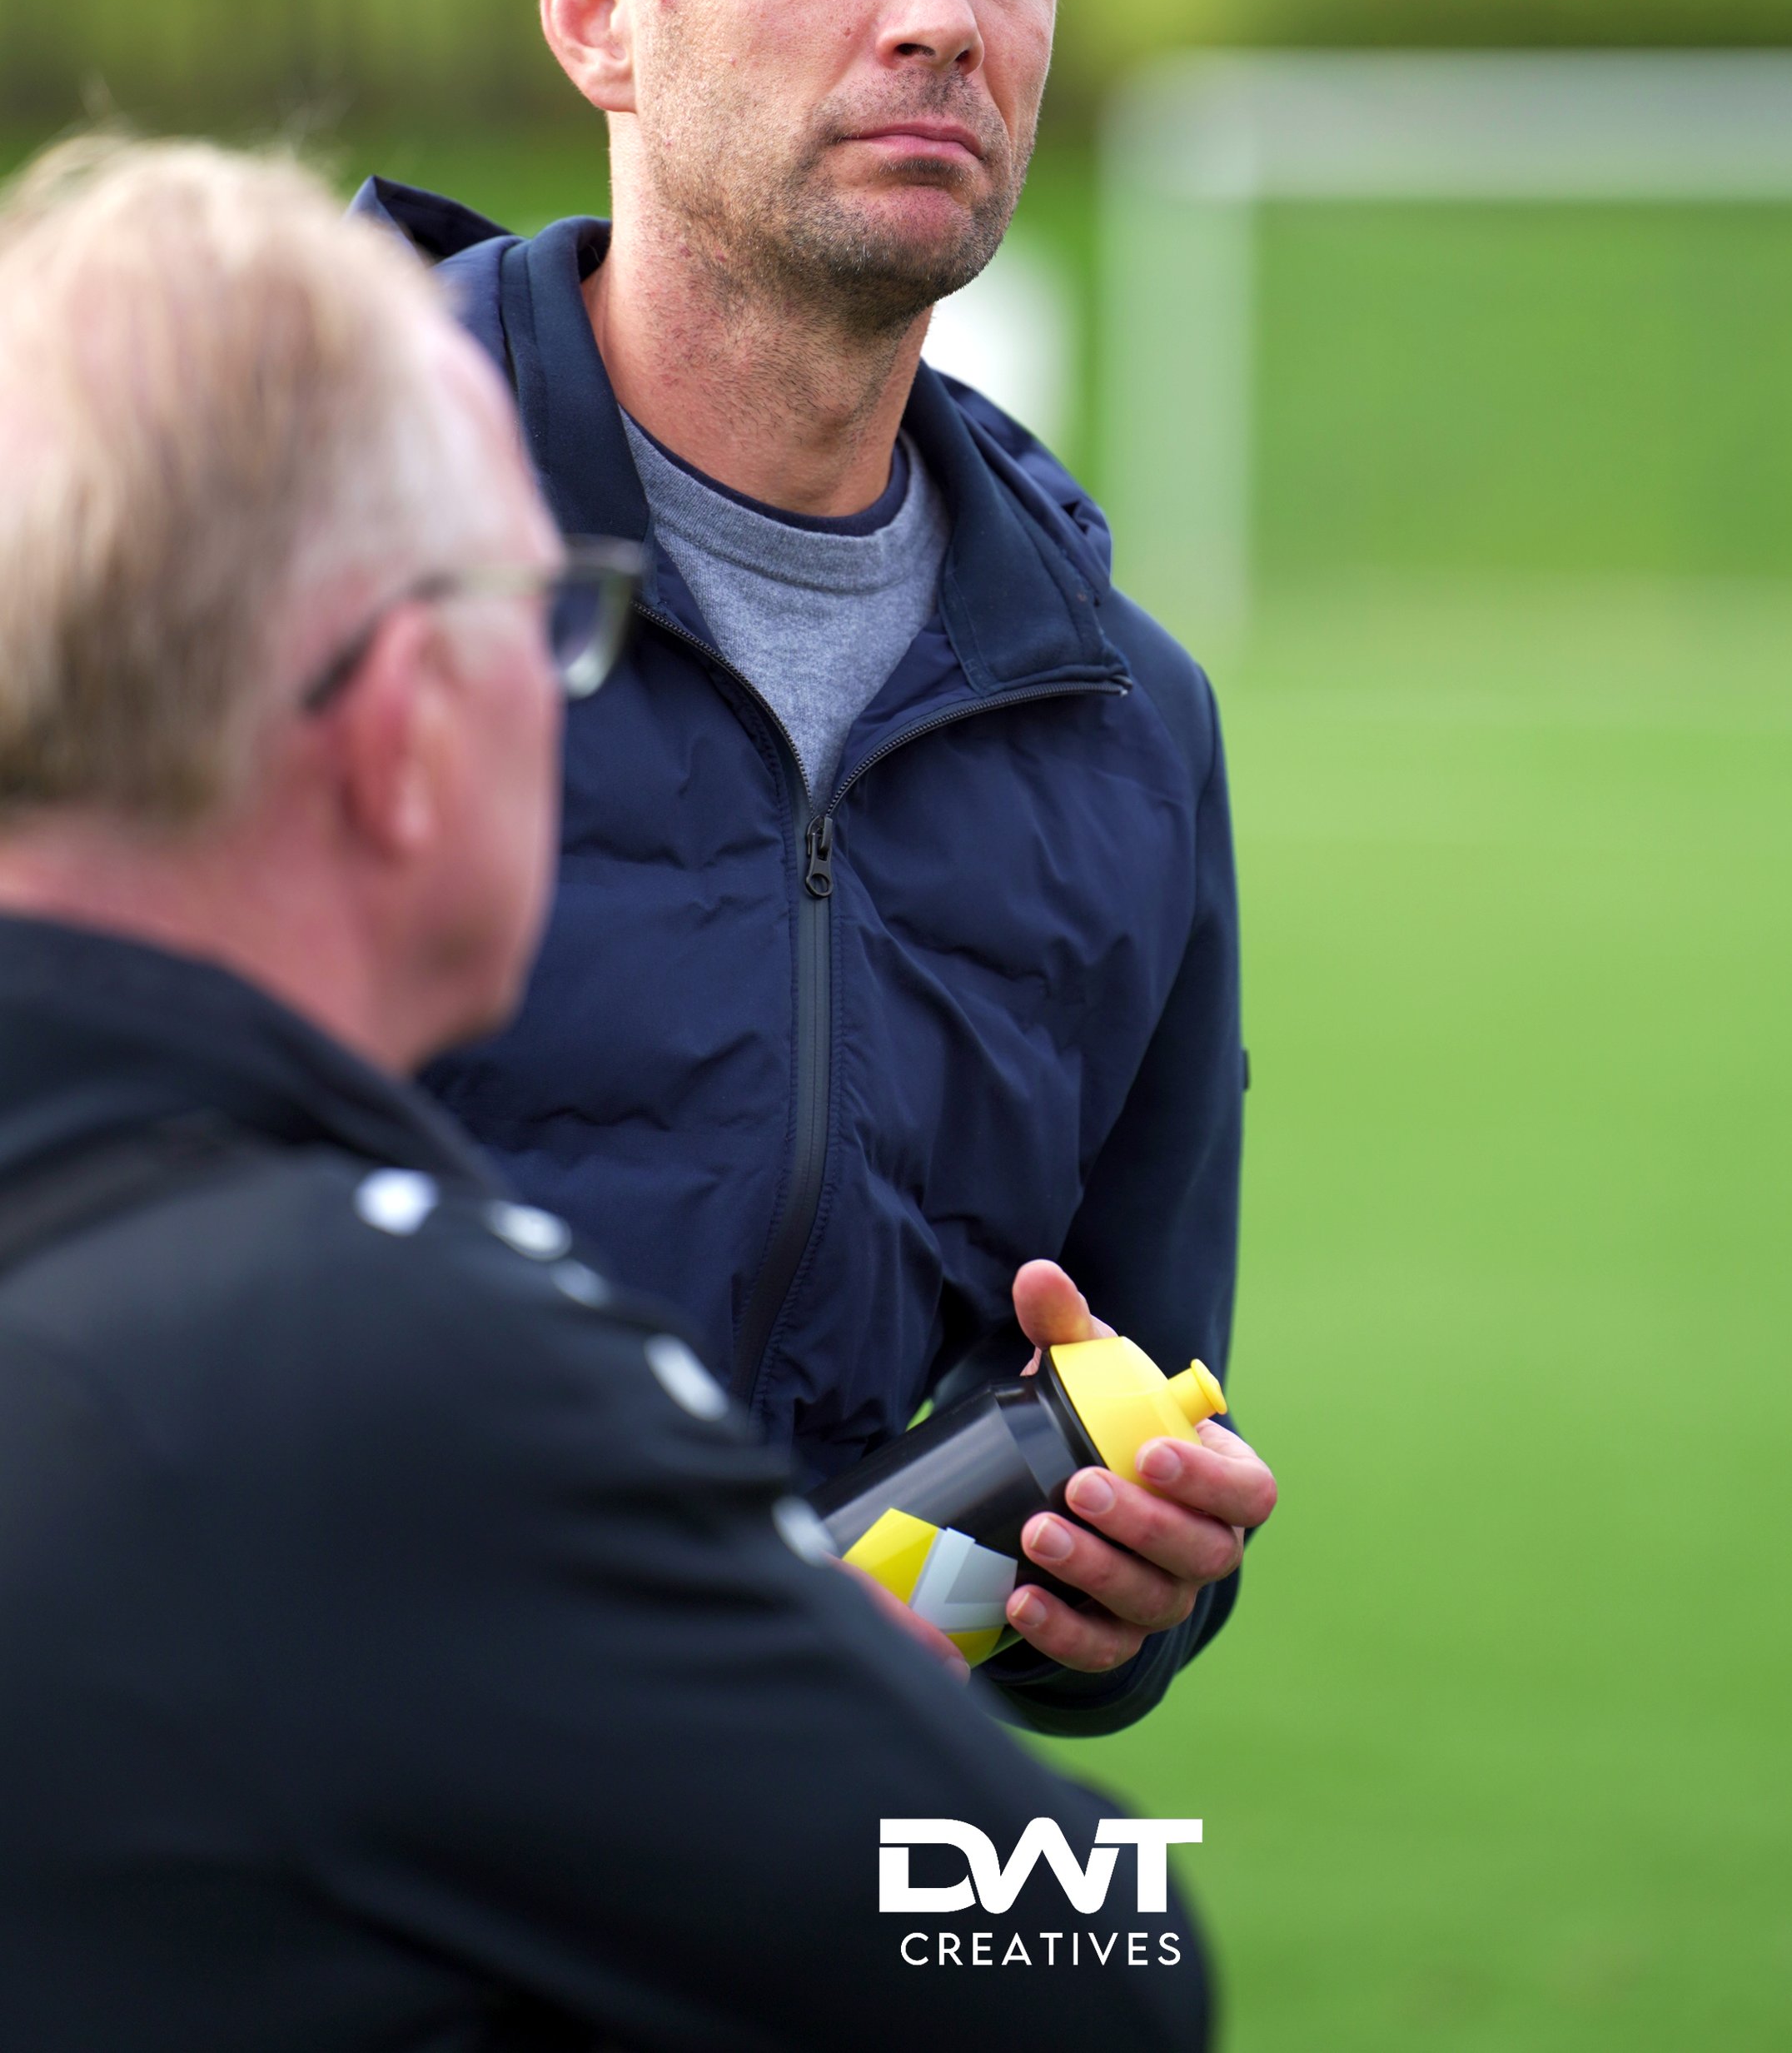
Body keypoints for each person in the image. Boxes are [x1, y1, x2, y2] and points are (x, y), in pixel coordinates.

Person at [0, 137, 1207, 2053]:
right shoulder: (391, 1364)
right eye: (555, 622)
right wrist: (841, 1689)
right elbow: (1098, 1970)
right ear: (405, 731)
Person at [356, 0, 1277, 1737]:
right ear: (597, 7)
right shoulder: (266, 567)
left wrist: (1115, 1581)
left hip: (792, 1908)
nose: (943, 9)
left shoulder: (1127, 724)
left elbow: (1110, 1389)